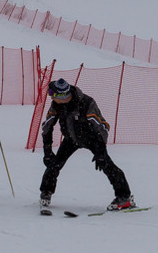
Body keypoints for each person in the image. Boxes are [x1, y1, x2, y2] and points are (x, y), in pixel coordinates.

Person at [38, 78, 134, 211]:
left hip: (92, 138)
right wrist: (47, 151)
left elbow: (103, 126)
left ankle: (124, 197)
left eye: (51, 94)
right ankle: (46, 192)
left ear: (61, 95)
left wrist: (101, 150)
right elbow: (47, 127)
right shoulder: (56, 105)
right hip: (71, 139)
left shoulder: (86, 103)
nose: (50, 97)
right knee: (54, 164)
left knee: (106, 164)